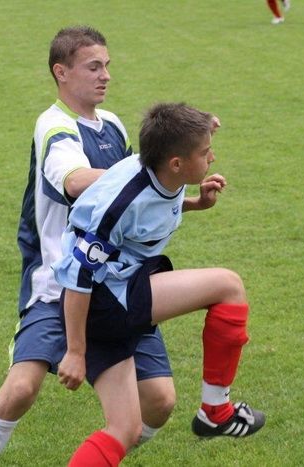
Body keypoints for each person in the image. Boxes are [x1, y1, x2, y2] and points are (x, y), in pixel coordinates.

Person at [0, 26, 178, 466]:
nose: (105, 76)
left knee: (160, 401)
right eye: (94, 67)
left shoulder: (112, 124)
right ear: (61, 72)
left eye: (107, 66)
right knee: (21, 389)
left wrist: (187, 198)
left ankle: (103, 453)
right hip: (58, 284)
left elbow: (134, 201)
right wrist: (143, 176)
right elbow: (75, 181)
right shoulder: (54, 126)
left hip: (113, 287)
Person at [54, 102, 265, 466]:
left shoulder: (160, 167)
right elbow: (79, 274)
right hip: (104, 303)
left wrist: (195, 203)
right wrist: (75, 352)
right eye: (205, 151)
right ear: (177, 163)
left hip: (116, 294)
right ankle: (216, 411)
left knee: (135, 420)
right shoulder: (121, 202)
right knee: (228, 286)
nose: (212, 157)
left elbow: (150, 209)